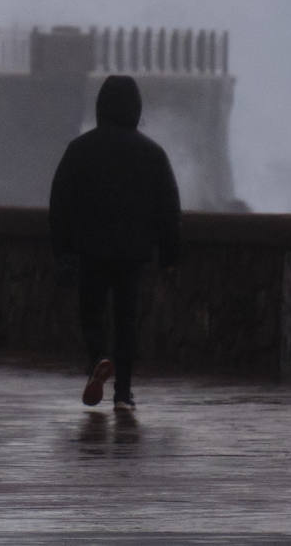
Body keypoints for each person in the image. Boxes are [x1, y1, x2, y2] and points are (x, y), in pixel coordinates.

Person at [49, 74, 180, 410]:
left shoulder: (79, 150)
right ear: (136, 108)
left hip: (90, 249)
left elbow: (60, 202)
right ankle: (123, 393)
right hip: (132, 252)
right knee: (126, 320)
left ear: (100, 107)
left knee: (91, 312)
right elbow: (169, 208)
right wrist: (169, 255)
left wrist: (62, 250)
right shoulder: (152, 154)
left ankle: (98, 359)